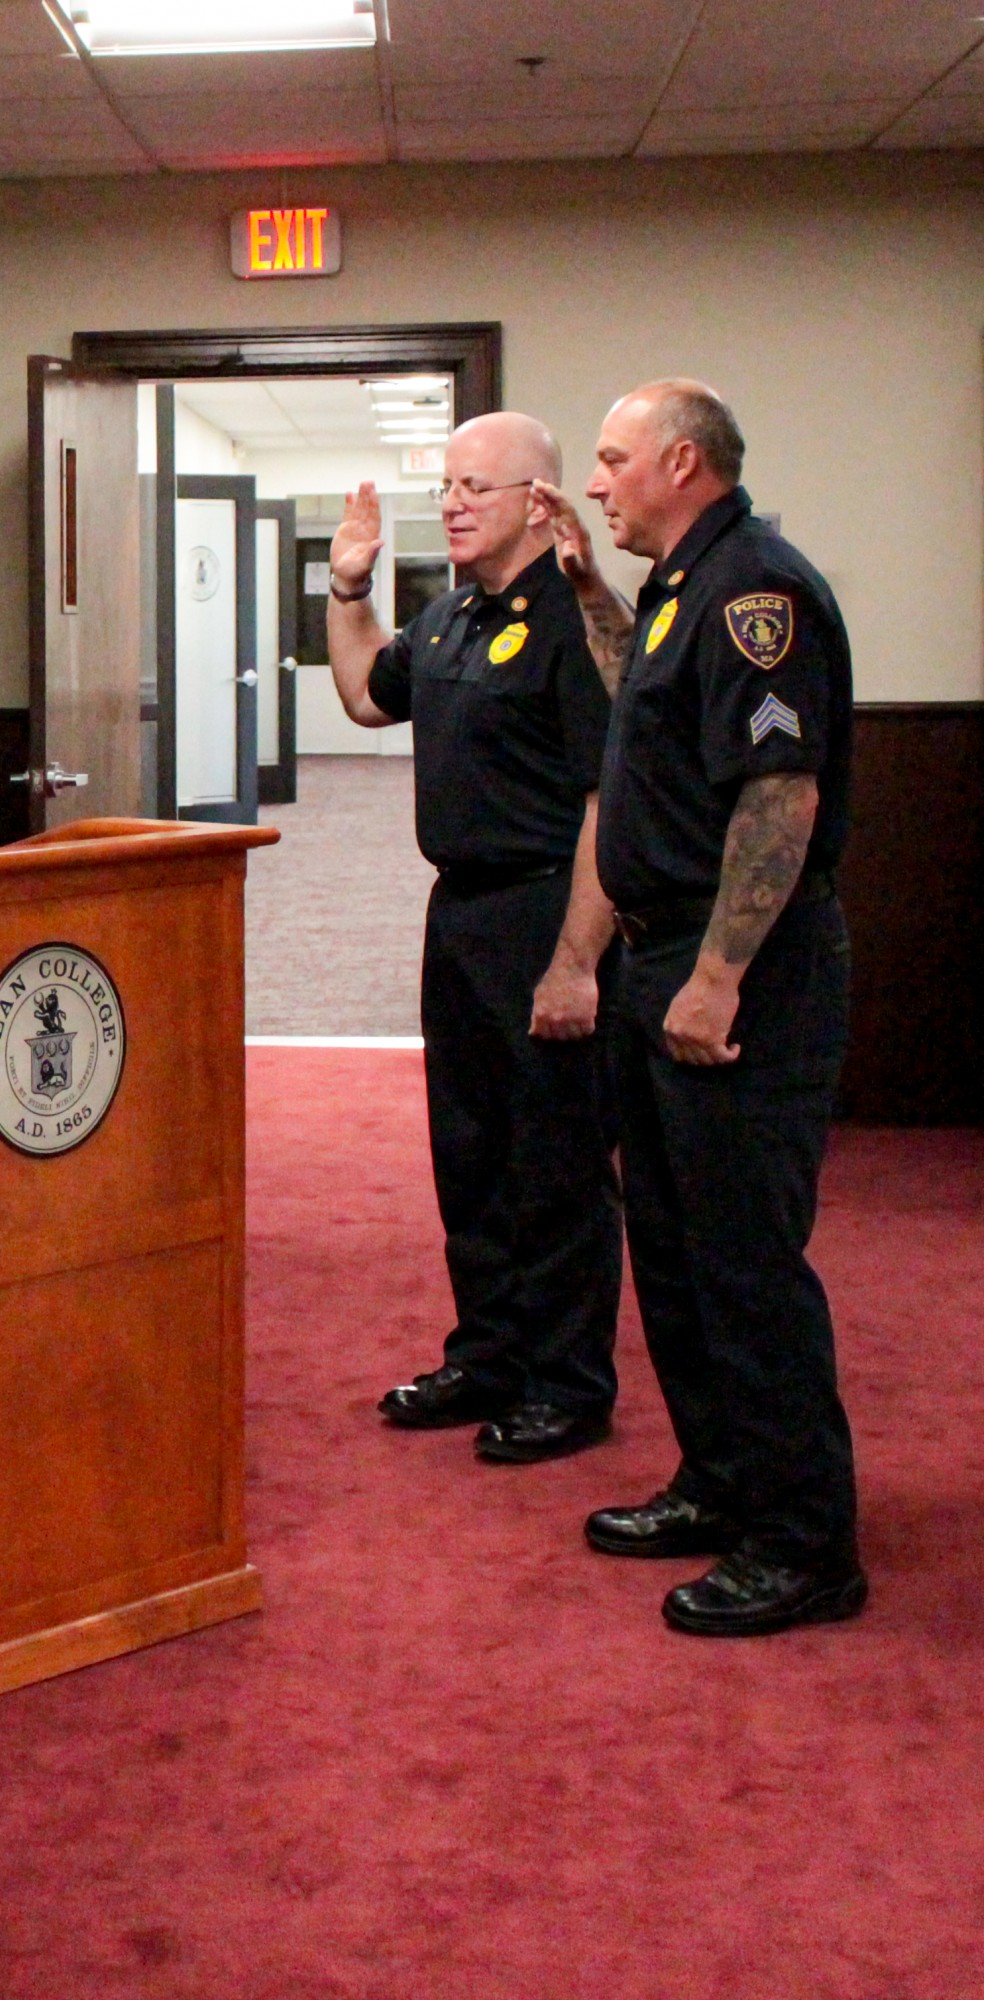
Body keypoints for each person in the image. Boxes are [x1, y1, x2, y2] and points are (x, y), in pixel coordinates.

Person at [535, 380, 862, 1637]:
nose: (599, 482)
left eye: (614, 461)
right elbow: (649, 713)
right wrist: (586, 592)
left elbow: (781, 795)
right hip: (660, 961)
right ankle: (723, 1482)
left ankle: (805, 1542)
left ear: (682, 459)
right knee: (670, 1250)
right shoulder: (682, 587)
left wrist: (719, 975)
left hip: (742, 974)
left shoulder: (758, 591)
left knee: (742, 1261)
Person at [321, 414, 625, 1464]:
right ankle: (490, 1353)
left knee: (555, 1164)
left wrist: (578, 959)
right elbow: (366, 696)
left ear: (538, 504)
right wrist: (350, 590)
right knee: (472, 1154)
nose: (450, 502)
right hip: (458, 915)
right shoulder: (449, 617)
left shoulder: (576, 625)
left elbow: (605, 803)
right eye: (445, 484)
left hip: (548, 910)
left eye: (474, 487)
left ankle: (568, 1384)